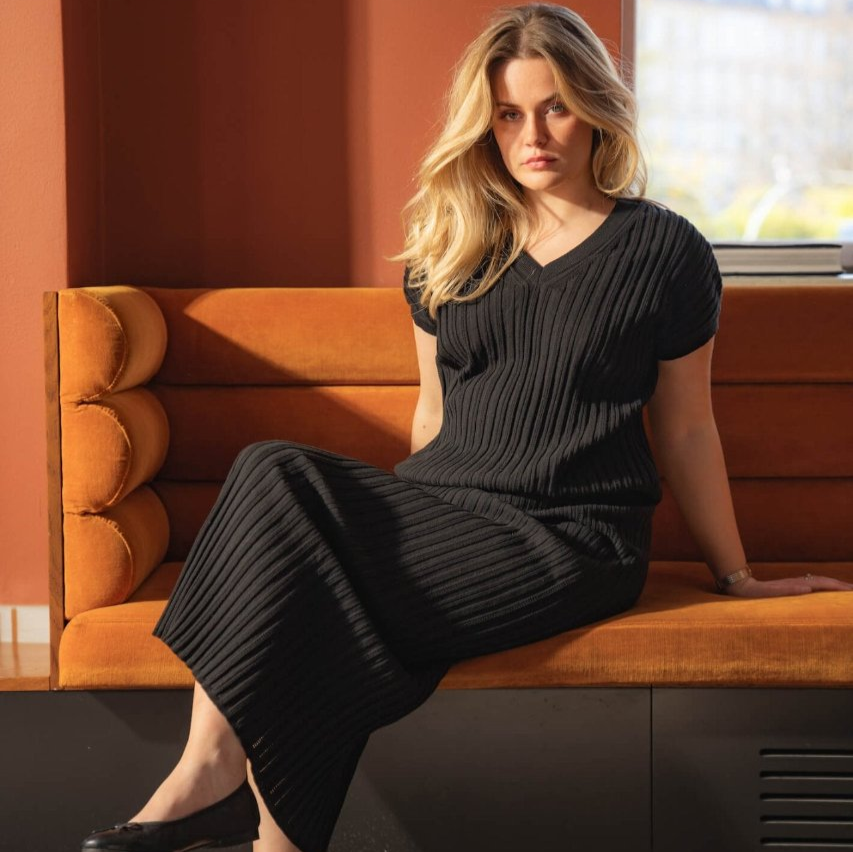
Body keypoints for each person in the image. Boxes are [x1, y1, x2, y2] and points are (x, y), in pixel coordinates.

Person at [80, 4, 853, 852]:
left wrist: (735, 575)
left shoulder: (663, 251)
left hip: (574, 536)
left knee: (308, 584)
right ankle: (215, 780)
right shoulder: (449, 244)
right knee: (271, 469)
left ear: (594, 106)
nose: (534, 134)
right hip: (451, 507)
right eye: (509, 113)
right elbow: (434, 417)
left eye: (554, 106)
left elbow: (687, 431)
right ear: (482, 123)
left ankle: (251, 819)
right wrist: (395, 530)